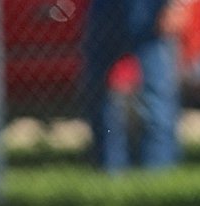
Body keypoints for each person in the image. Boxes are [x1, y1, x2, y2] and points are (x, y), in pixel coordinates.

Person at [79, 0, 191, 174]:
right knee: (99, 93)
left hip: (150, 11)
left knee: (157, 99)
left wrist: (177, 6)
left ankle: (158, 175)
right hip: (106, 8)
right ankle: (109, 171)